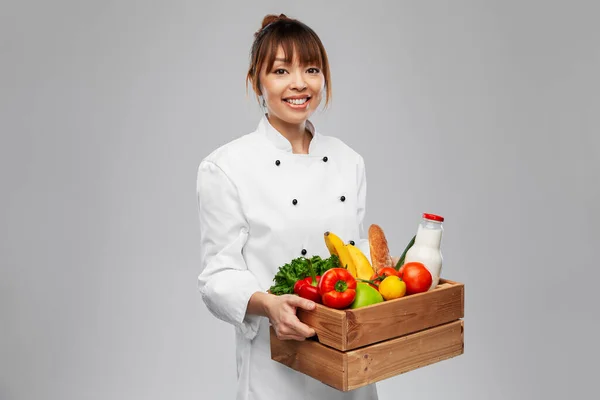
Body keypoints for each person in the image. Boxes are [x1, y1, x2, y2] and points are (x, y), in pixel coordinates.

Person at [196, 13, 379, 400]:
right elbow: (218, 276)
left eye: (311, 69)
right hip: (275, 368)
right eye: (281, 71)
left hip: (349, 367)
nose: (299, 83)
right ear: (256, 82)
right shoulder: (226, 166)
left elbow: (356, 259)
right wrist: (269, 305)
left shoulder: (350, 161)